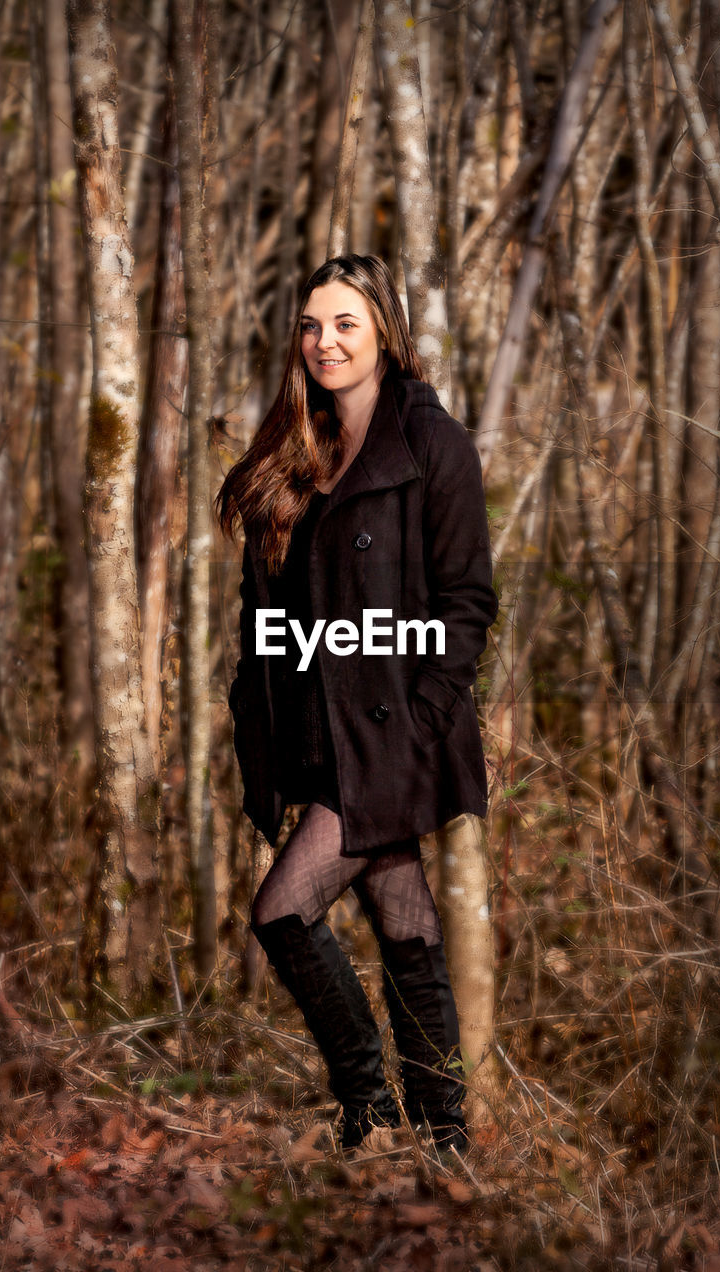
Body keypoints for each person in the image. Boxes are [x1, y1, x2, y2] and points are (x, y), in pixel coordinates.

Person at [216, 254, 497, 1152]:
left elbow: (466, 602)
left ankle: (368, 1106)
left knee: (282, 912)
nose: (323, 341)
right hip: (324, 731)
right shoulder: (302, 445)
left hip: (396, 733)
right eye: (310, 325)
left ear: (383, 328)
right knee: (403, 919)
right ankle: (441, 1139)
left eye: (343, 323)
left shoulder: (432, 444)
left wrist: (417, 722)